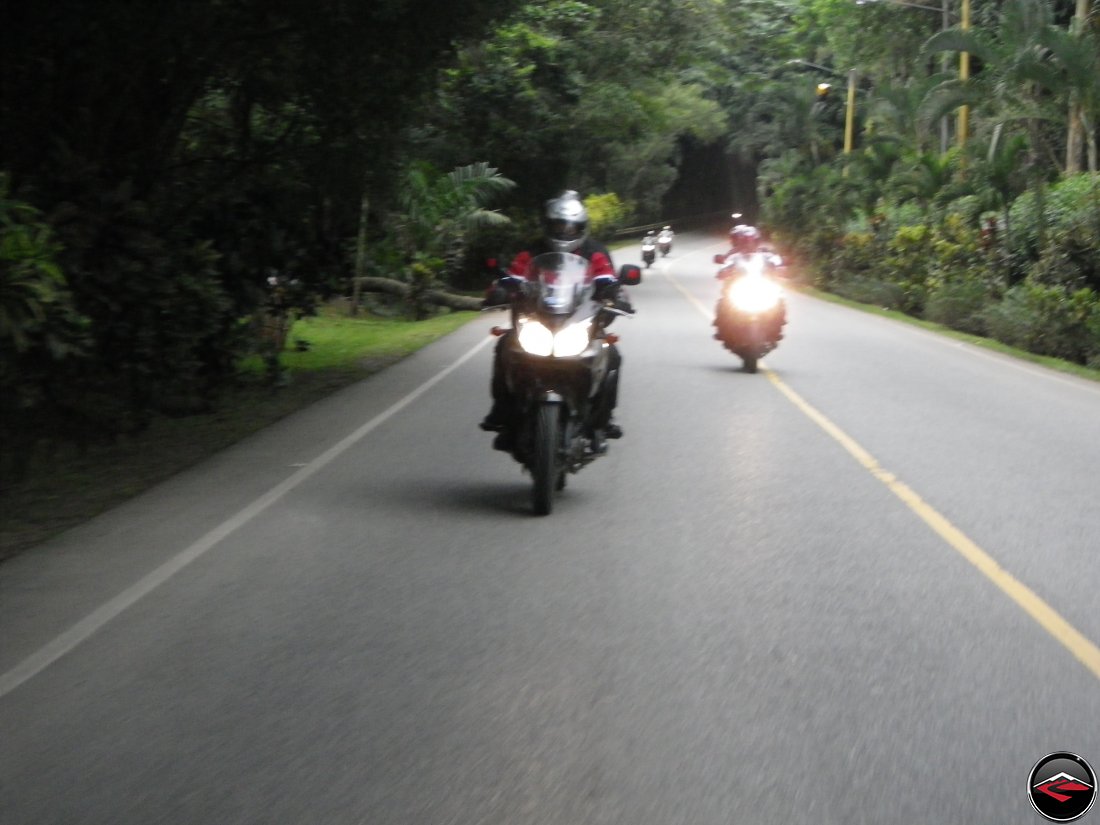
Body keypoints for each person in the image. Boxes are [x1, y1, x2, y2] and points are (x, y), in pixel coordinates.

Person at [481, 190, 631, 450]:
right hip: (537, 318)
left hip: (579, 320)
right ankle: (501, 412)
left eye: (571, 227)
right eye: (558, 226)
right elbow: (515, 277)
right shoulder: (532, 252)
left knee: (612, 355)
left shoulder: (595, 252)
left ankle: (603, 419)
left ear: (582, 228)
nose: (565, 232)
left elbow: (606, 278)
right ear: (548, 225)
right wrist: (501, 289)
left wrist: (615, 293)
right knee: (504, 345)